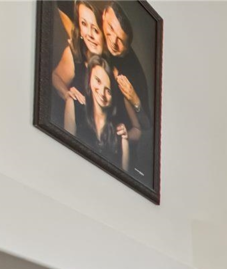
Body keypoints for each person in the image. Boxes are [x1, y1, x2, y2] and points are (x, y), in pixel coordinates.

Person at [100, 2, 153, 181]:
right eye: (111, 30)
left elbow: (145, 126)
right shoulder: (92, 31)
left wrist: (135, 99)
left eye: (121, 41)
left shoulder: (133, 72)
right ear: (104, 16)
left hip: (122, 157)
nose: (114, 42)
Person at [64, 55, 139, 172]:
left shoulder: (120, 134)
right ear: (89, 79)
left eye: (108, 90)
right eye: (97, 81)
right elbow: (65, 157)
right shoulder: (73, 105)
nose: (102, 93)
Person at [51, 0, 104, 125]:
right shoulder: (73, 54)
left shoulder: (110, 68)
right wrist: (67, 94)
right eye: (84, 24)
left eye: (95, 29)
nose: (89, 34)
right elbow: (55, 77)